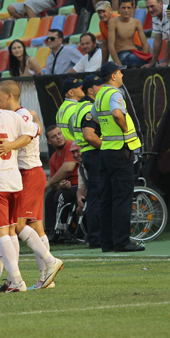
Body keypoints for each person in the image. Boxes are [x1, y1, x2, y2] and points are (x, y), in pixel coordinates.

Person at [0, 78, 55, 293]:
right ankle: (16, 278)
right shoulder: (12, 115)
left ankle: (24, 275)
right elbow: (35, 130)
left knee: (1, 232)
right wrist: (14, 142)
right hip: (15, 181)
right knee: (13, 230)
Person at [0, 80, 62, 291]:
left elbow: (31, 133)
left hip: (29, 174)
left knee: (17, 225)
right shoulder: (21, 115)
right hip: (30, 173)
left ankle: (51, 262)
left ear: (8, 96)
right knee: (36, 226)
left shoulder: (21, 115)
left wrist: (10, 145)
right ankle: (46, 278)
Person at [92, 62, 144, 252]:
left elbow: (94, 116)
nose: (122, 75)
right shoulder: (115, 93)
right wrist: (123, 128)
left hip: (106, 150)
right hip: (120, 150)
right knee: (122, 197)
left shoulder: (99, 96)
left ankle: (108, 242)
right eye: (120, 72)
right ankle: (122, 242)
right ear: (113, 76)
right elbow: (116, 113)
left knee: (107, 198)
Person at [70, 74, 104, 248]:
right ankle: (96, 237)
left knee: (94, 196)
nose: (102, 88)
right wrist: (105, 147)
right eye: (99, 86)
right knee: (97, 196)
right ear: (90, 90)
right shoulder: (89, 107)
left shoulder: (79, 106)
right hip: (93, 152)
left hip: (86, 153)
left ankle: (94, 236)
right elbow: (89, 135)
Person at [43, 126, 80, 239]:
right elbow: (55, 185)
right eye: (54, 137)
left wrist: (48, 183)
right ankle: (50, 230)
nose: (58, 137)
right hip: (67, 187)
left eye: (59, 134)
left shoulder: (70, 146)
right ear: (49, 141)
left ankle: (61, 230)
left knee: (61, 195)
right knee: (50, 196)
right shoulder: (53, 158)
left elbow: (68, 168)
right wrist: (60, 185)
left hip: (79, 185)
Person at [107, 0, 152, 67]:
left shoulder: (136, 22)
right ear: (119, 9)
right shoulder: (113, 22)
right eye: (123, 8)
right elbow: (111, 45)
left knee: (153, 61)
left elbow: (145, 44)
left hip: (135, 52)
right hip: (122, 54)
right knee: (134, 59)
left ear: (132, 8)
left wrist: (144, 58)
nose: (126, 10)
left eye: (128, 8)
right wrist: (118, 64)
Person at [142, 0, 170, 68]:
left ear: (160, 4)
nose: (150, 10)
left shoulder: (169, 12)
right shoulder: (155, 16)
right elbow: (157, 41)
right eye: (148, 7)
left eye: (152, 6)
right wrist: (152, 63)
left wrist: (166, 61)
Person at [56, 78, 85, 142]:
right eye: (80, 88)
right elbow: (77, 133)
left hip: (67, 147)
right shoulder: (75, 108)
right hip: (76, 147)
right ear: (71, 92)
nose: (83, 89)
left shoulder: (62, 107)